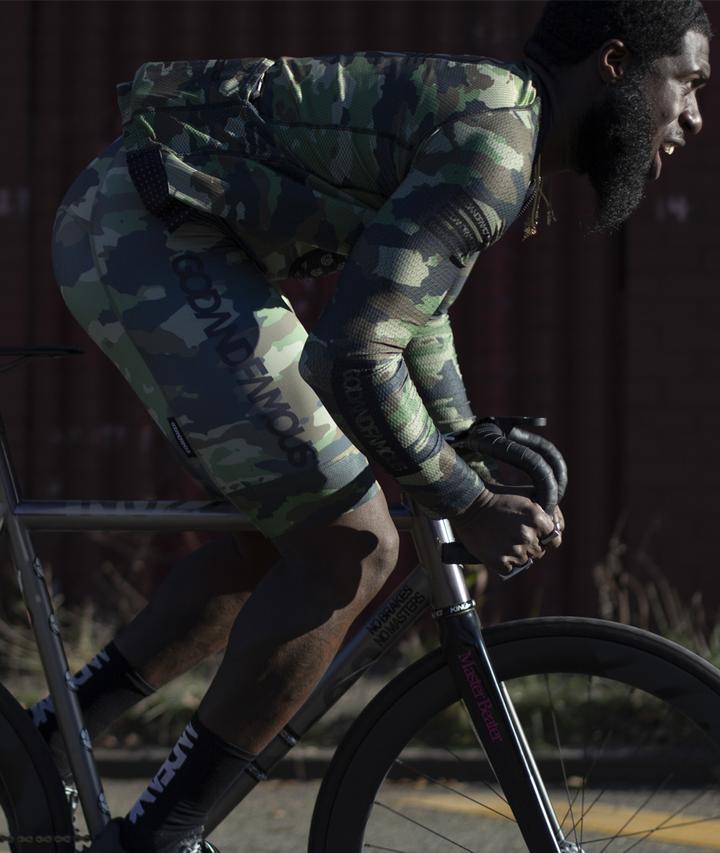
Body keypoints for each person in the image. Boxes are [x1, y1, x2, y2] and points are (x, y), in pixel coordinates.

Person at [41, 1, 710, 850]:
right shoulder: (496, 144)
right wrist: (466, 498)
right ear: (615, 65)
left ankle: (43, 744)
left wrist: (460, 434)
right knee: (352, 545)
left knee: (296, 530)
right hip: (142, 230)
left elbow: (408, 307)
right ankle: (161, 834)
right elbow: (353, 355)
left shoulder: (505, 121)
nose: (695, 115)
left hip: (168, 230)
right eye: (687, 83)